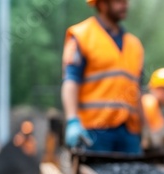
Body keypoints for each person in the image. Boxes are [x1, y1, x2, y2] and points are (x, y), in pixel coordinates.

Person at [62, 0, 145, 154]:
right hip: (94, 132)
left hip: (129, 133)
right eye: (119, 1)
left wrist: (145, 127)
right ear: (102, 4)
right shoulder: (82, 35)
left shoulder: (135, 45)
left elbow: (137, 89)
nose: (125, 4)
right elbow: (71, 81)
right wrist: (72, 120)